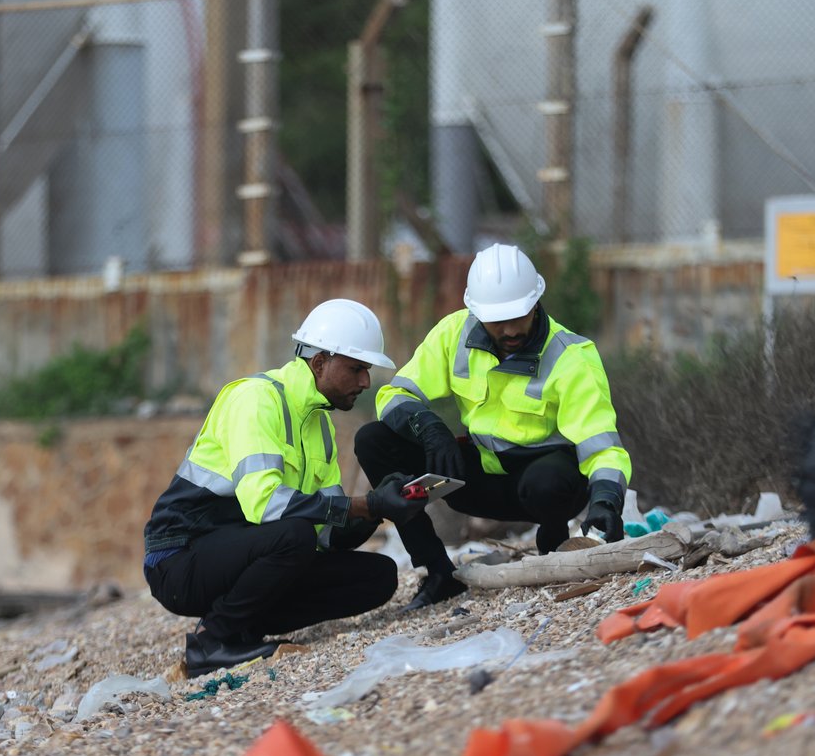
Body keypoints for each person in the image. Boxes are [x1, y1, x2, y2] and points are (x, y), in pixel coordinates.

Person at [143, 299, 429, 677]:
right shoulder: (255, 399)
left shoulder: (320, 423)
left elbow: (324, 534)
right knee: (291, 534)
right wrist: (363, 504)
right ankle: (211, 643)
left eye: (367, 370)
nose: (365, 382)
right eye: (357, 368)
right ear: (320, 362)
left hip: (244, 549)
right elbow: (265, 505)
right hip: (178, 560)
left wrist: (380, 507)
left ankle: (244, 628)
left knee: (378, 577)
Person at [357, 244, 631, 610]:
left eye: (518, 316)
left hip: (549, 489)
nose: (510, 329)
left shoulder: (571, 356)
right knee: (373, 440)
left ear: (535, 302)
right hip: (478, 479)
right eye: (497, 320)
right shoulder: (453, 334)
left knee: (545, 482)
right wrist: (429, 428)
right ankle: (437, 573)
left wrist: (606, 500)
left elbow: (602, 445)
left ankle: (554, 549)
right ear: (475, 311)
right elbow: (393, 394)